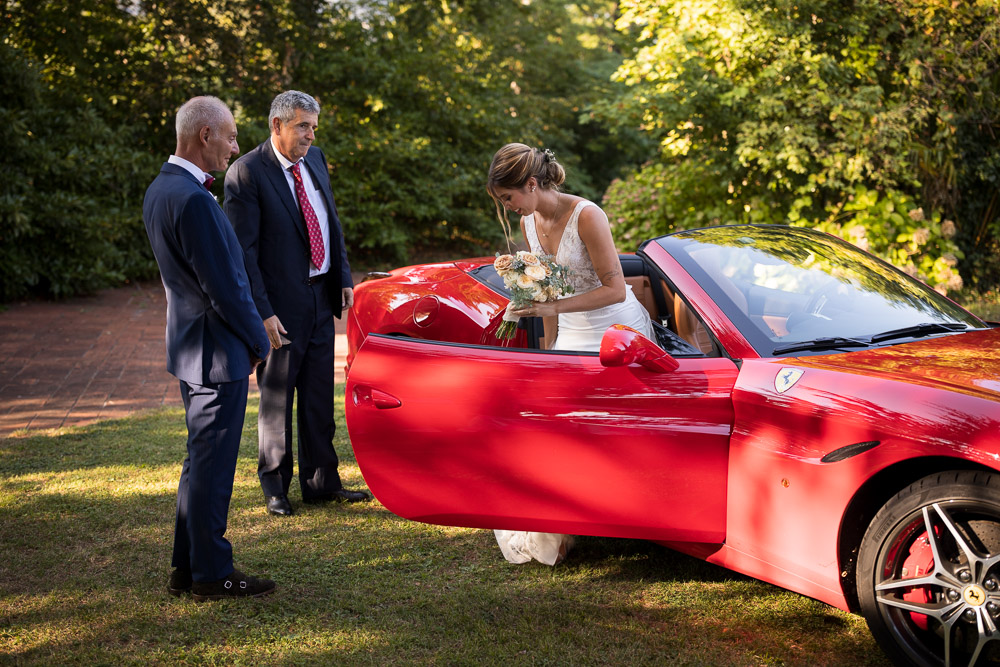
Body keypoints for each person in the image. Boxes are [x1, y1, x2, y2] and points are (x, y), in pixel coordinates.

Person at [486, 143, 655, 566]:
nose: (508, 208)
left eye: (509, 197)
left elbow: (614, 287)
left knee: (613, 431)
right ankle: (562, 524)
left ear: (530, 183)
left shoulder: (588, 215)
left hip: (617, 330)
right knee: (554, 428)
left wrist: (552, 308)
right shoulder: (528, 222)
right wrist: (547, 351)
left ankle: (630, 516)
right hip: (570, 334)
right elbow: (547, 291)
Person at [143, 95, 276, 600]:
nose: (235, 147)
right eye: (231, 137)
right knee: (213, 468)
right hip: (215, 354)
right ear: (205, 136)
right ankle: (212, 574)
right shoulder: (194, 199)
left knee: (199, 463)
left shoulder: (162, 188)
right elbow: (224, 287)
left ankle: (186, 567)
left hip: (192, 348)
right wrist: (259, 340)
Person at [224, 90, 368, 517]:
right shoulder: (246, 172)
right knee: (277, 397)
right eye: (303, 126)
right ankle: (275, 486)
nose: (310, 134)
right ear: (277, 125)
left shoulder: (317, 159)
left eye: (313, 127)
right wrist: (263, 312)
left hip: (321, 297)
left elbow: (330, 220)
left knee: (320, 394)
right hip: (279, 307)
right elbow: (243, 253)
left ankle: (322, 482)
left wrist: (341, 276)